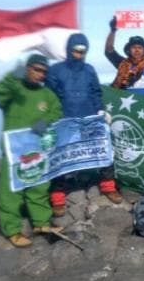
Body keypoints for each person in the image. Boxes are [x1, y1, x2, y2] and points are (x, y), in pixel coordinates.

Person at [0, 54, 63, 248]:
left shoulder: (46, 94)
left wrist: (45, 120)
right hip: (14, 149)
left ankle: (41, 223)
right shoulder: (15, 89)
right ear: (27, 69)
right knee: (12, 190)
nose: (40, 75)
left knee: (39, 185)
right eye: (37, 70)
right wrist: (12, 77)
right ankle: (12, 230)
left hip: (37, 148)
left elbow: (57, 109)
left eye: (44, 72)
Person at [45, 33, 121, 211]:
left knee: (103, 149)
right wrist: (51, 118)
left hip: (88, 119)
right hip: (65, 121)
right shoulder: (56, 70)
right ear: (69, 49)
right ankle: (57, 198)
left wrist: (100, 109)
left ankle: (108, 186)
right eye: (76, 50)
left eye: (82, 51)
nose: (79, 54)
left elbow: (95, 92)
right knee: (60, 156)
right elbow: (49, 96)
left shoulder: (89, 70)